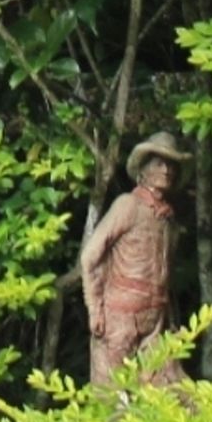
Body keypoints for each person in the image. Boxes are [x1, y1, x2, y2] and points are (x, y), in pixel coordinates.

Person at [79, 132, 190, 387]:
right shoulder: (127, 205)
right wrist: (95, 308)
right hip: (120, 317)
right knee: (112, 392)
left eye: (171, 165)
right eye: (159, 163)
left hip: (155, 320)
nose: (166, 170)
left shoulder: (167, 220)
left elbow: (165, 276)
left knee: (168, 389)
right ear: (143, 169)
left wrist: (170, 320)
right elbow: (90, 257)